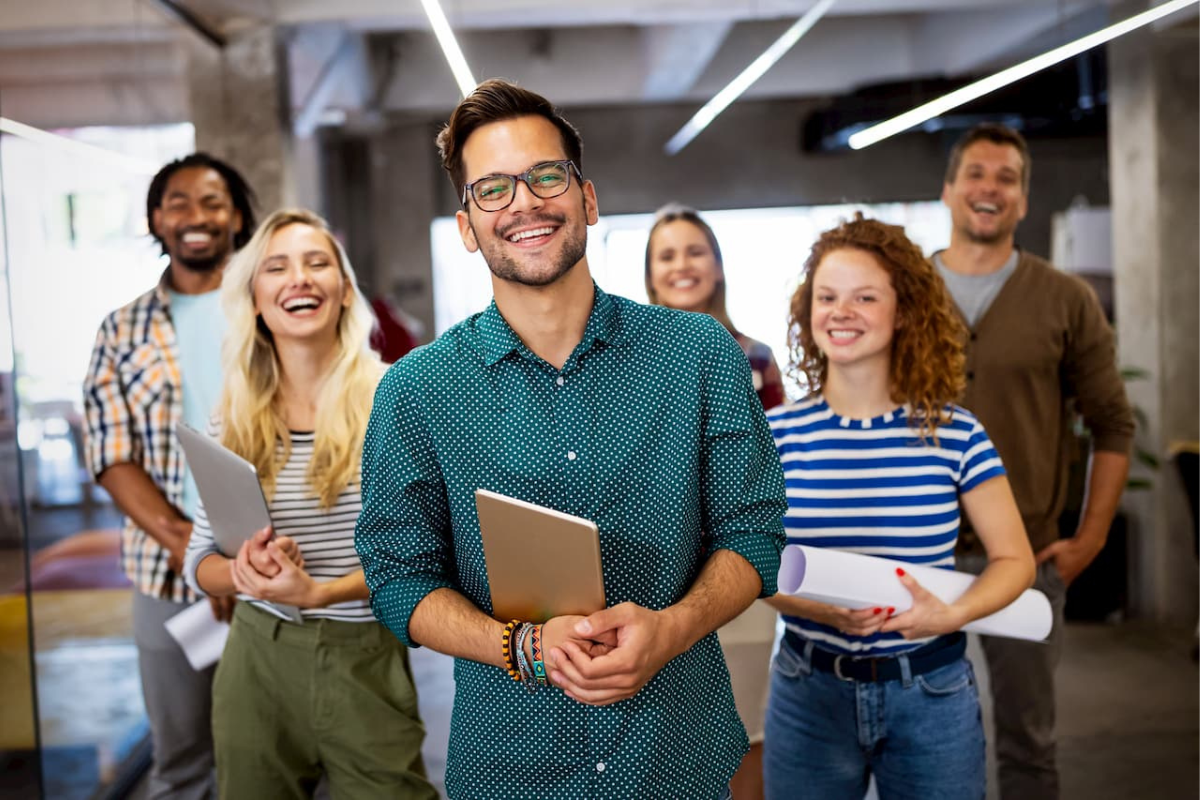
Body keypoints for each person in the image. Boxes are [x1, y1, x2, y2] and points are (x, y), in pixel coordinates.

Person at [354, 79, 787, 800]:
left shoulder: (699, 353)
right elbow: (398, 579)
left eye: (544, 176)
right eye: (492, 189)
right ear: (466, 225)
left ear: (586, 199)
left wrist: (673, 629)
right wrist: (521, 646)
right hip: (512, 766)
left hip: (678, 755)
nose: (523, 203)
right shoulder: (416, 391)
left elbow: (755, 533)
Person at [762, 214, 1036, 799]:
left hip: (930, 691)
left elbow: (1016, 562)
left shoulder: (956, 432)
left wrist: (951, 614)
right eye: (827, 297)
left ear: (905, 311)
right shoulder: (774, 434)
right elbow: (747, 564)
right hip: (808, 688)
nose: (841, 311)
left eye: (865, 296)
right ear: (808, 310)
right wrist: (818, 610)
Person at [182, 209, 435, 799]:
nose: (299, 277)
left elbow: (425, 558)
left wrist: (319, 591)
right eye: (278, 267)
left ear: (345, 292)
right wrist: (243, 572)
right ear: (255, 299)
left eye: (317, 263)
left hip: (365, 653)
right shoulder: (232, 414)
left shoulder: (396, 397)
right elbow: (201, 560)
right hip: (257, 657)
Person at [934, 123, 1134, 799]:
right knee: (919, 739)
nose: (990, 189)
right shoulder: (901, 293)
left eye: (1007, 178)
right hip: (914, 560)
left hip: (1025, 559)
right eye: (977, 174)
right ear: (950, 190)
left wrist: (1092, 538)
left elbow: (1112, 424)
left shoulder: (1065, 299)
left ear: (1022, 200)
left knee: (1027, 743)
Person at [83, 152, 255, 799]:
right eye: (177, 202)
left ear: (236, 215)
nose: (195, 217)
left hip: (286, 563)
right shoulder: (122, 329)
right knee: (182, 760)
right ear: (157, 219)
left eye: (212, 201)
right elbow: (111, 454)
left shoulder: (275, 306)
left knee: (296, 752)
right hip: (165, 573)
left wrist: (247, 559)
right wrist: (196, 552)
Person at [644, 203, 784, 800]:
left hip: (739, 578)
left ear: (718, 266)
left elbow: (777, 471)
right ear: (649, 275)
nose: (683, 266)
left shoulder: (754, 358)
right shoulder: (626, 364)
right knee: (664, 744)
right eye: (667, 255)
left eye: (695, 251)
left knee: (747, 731)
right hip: (653, 578)